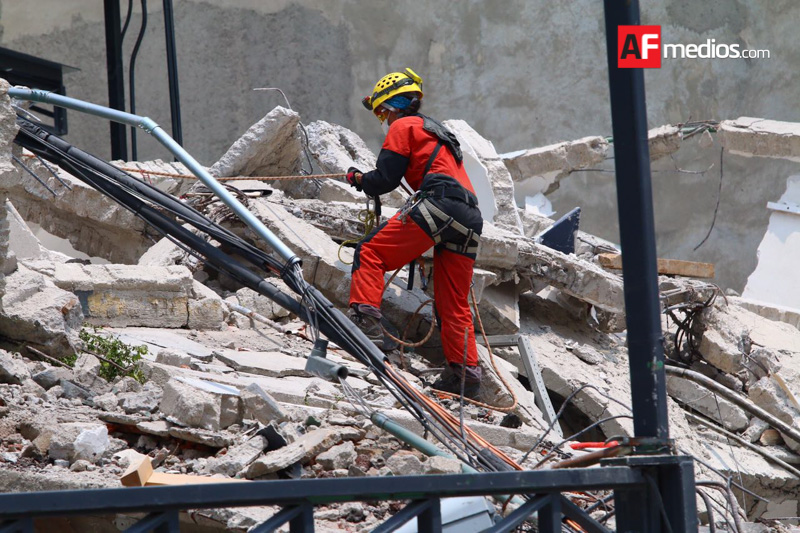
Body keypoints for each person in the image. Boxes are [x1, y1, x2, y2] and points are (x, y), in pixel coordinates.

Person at [345, 68, 484, 399]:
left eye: (381, 111)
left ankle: (366, 325)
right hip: (470, 217)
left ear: (393, 105)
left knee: (370, 252)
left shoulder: (403, 126)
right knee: (453, 301)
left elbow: (385, 179)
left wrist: (358, 178)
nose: (383, 118)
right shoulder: (439, 134)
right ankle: (465, 375)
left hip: (438, 203)